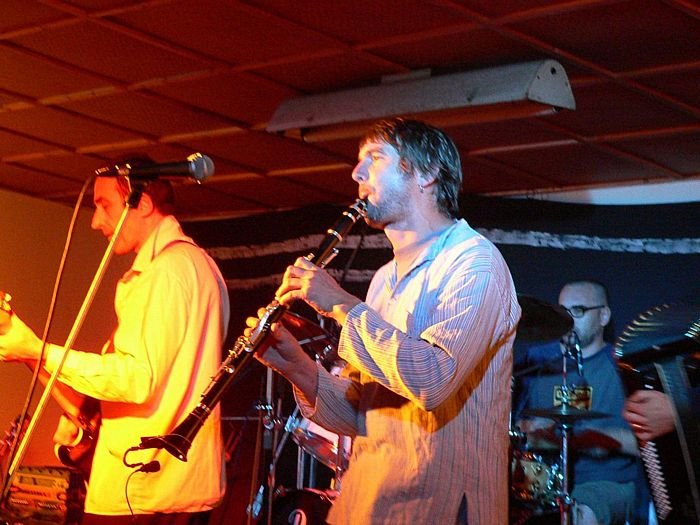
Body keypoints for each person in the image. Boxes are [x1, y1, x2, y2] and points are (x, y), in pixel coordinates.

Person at [246, 118, 521, 524]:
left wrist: (340, 303)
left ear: (427, 174)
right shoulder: (383, 279)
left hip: (438, 509)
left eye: (375, 158)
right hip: (368, 504)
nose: (356, 173)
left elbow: (432, 380)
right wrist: (295, 366)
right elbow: (360, 417)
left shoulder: (474, 262)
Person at [0, 161, 230, 524]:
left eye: (104, 205)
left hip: (142, 491)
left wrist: (38, 350)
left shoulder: (165, 271)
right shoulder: (195, 266)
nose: (95, 221)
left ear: (143, 205)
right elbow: (121, 396)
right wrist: (31, 353)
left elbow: (134, 380)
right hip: (164, 490)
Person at [514, 280, 648, 525]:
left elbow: (646, 446)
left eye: (577, 311)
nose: (567, 320)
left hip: (607, 483)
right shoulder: (537, 362)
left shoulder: (625, 368)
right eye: (562, 311)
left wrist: (586, 438)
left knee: (577, 515)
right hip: (543, 483)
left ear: (603, 316)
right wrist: (528, 432)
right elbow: (518, 431)